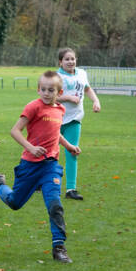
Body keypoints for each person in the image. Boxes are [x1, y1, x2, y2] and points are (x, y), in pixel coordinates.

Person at [0, 70, 81, 264]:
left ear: (59, 92)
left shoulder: (60, 110)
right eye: (43, 89)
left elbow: (55, 133)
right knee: (14, 202)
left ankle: (59, 247)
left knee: (55, 204)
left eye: (51, 90)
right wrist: (31, 147)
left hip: (50, 166)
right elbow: (15, 130)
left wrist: (69, 146)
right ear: (38, 89)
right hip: (30, 165)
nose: (46, 93)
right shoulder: (33, 107)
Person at [56, 47, 100, 201]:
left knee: (72, 151)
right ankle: (37, 181)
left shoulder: (82, 73)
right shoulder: (56, 77)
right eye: (67, 59)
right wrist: (67, 98)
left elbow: (87, 89)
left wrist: (96, 101)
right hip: (55, 119)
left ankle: (71, 189)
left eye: (73, 59)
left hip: (74, 119)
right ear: (60, 62)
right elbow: (48, 97)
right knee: (47, 153)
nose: (70, 62)